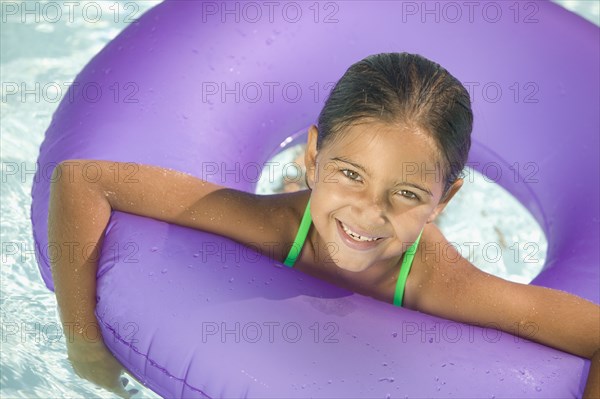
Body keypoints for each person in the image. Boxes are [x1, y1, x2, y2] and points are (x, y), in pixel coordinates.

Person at [48, 52, 599, 398]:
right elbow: (81, 180)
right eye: (350, 174)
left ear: (443, 200)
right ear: (313, 155)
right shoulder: (275, 227)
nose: (368, 211)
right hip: (303, 203)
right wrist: (83, 344)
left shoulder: (442, 284)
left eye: (406, 194)